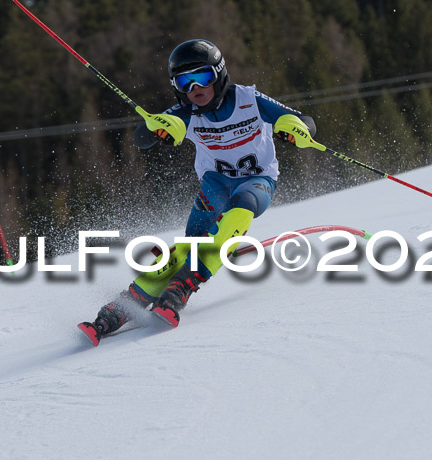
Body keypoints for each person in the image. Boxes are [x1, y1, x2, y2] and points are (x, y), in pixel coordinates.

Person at [80, 39, 316, 344]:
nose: (194, 87)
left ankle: (182, 287)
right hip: (215, 182)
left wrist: (294, 129)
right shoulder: (185, 112)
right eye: (184, 81)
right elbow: (142, 137)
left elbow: (304, 121)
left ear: (218, 75)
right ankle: (125, 304)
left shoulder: (248, 99)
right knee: (192, 245)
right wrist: (157, 129)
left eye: (202, 77)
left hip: (257, 180)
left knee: (243, 206)